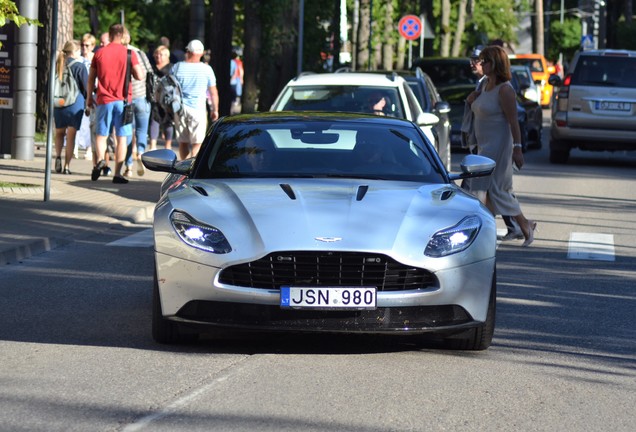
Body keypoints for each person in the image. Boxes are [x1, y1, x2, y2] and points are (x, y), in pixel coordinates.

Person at [467, 45, 536, 247]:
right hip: (483, 146)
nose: (481, 64)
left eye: (485, 61)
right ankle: (524, 225)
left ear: (495, 64)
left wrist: (518, 148)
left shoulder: (505, 90)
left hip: (499, 146)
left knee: (495, 190)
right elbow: (478, 107)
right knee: (484, 190)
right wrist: (471, 99)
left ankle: (514, 228)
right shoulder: (484, 85)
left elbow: (514, 122)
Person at [86, 23, 144, 184]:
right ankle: (118, 174)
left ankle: (101, 161)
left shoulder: (99, 53)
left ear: (110, 35)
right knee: (122, 138)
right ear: (122, 34)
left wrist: (89, 98)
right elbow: (139, 75)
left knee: (101, 135)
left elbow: (91, 79)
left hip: (104, 100)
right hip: (124, 101)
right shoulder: (130, 54)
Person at [172, 39, 219, 160]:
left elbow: (170, 89)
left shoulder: (177, 67)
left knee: (183, 142)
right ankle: (191, 171)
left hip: (179, 109)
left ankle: (184, 169)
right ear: (202, 53)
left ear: (188, 51)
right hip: (198, 110)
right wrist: (215, 110)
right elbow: (213, 92)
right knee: (197, 143)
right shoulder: (207, 69)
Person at [53, 40, 88, 175]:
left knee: (59, 133)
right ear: (75, 52)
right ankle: (67, 166)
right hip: (75, 104)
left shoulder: (57, 64)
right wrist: (87, 102)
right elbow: (86, 87)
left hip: (59, 103)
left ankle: (57, 156)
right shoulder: (80, 66)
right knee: (71, 136)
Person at [122, 28, 153, 177]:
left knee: (128, 132)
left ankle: (128, 166)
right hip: (142, 97)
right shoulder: (140, 53)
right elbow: (149, 72)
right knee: (141, 130)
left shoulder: (119, 53)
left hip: (125, 98)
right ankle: (140, 153)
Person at [148, 45, 174, 151]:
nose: (158, 56)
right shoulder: (151, 68)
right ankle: (152, 145)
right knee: (154, 119)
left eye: (161, 54)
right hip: (154, 98)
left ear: (167, 56)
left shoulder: (172, 68)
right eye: (157, 54)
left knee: (168, 121)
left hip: (168, 99)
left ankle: (168, 145)